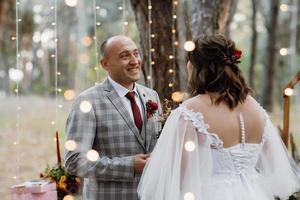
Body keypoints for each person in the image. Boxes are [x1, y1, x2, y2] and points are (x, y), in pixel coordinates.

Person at [138, 34, 300, 200]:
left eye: (189, 60)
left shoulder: (190, 111)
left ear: (197, 66)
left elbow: (178, 175)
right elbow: (273, 167)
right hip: (254, 192)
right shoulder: (255, 108)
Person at [65, 35, 162, 200]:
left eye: (136, 54)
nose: (134, 61)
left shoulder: (152, 96)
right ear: (105, 64)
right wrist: (128, 166)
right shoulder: (88, 101)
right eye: (125, 56)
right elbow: (74, 161)